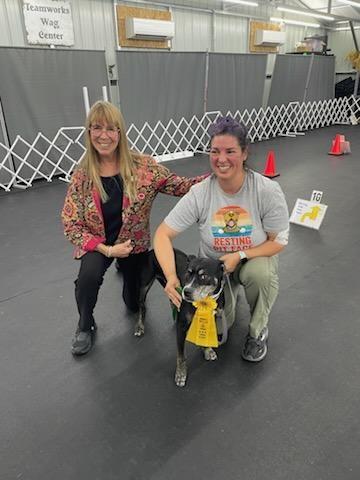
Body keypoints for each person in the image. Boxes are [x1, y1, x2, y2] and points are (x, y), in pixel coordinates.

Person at [61, 100, 208, 356]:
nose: (103, 135)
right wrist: (106, 250)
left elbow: (180, 186)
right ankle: (85, 325)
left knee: (132, 304)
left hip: (133, 245)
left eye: (110, 128)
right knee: (88, 277)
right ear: (89, 132)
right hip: (100, 245)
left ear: (120, 132)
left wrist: (216, 175)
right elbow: (70, 223)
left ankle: (124, 270)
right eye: (97, 127)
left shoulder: (144, 167)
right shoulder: (82, 175)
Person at [154, 116, 289, 362]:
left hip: (250, 260)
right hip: (213, 272)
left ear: (245, 153)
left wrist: (240, 255)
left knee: (261, 275)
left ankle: (258, 331)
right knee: (215, 331)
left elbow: (277, 242)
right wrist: (171, 276)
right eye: (215, 151)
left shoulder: (266, 190)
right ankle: (230, 292)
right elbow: (162, 234)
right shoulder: (200, 193)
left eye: (230, 151)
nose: (221, 159)